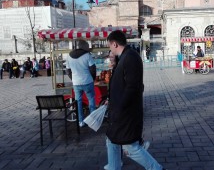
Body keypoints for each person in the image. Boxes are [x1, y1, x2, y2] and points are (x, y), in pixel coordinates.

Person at [105, 30, 165, 170]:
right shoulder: (125, 57)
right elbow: (120, 84)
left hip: (126, 112)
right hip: (120, 110)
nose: (110, 50)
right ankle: (114, 167)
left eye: (110, 46)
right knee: (111, 140)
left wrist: (119, 107)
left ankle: (156, 168)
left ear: (114, 44)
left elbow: (132, 87)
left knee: (130, 147)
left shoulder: (130, 57)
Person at [66, 40, 96, 127]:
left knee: (78, 102)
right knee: (91, 100)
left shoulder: (69, 56)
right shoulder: (87, 55)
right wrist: (93, 78)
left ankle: (81, 121)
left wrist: (73, 78)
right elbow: (93, 68)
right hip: (88, 81)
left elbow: (67, 71)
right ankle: (92, 121)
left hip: (76, 83)